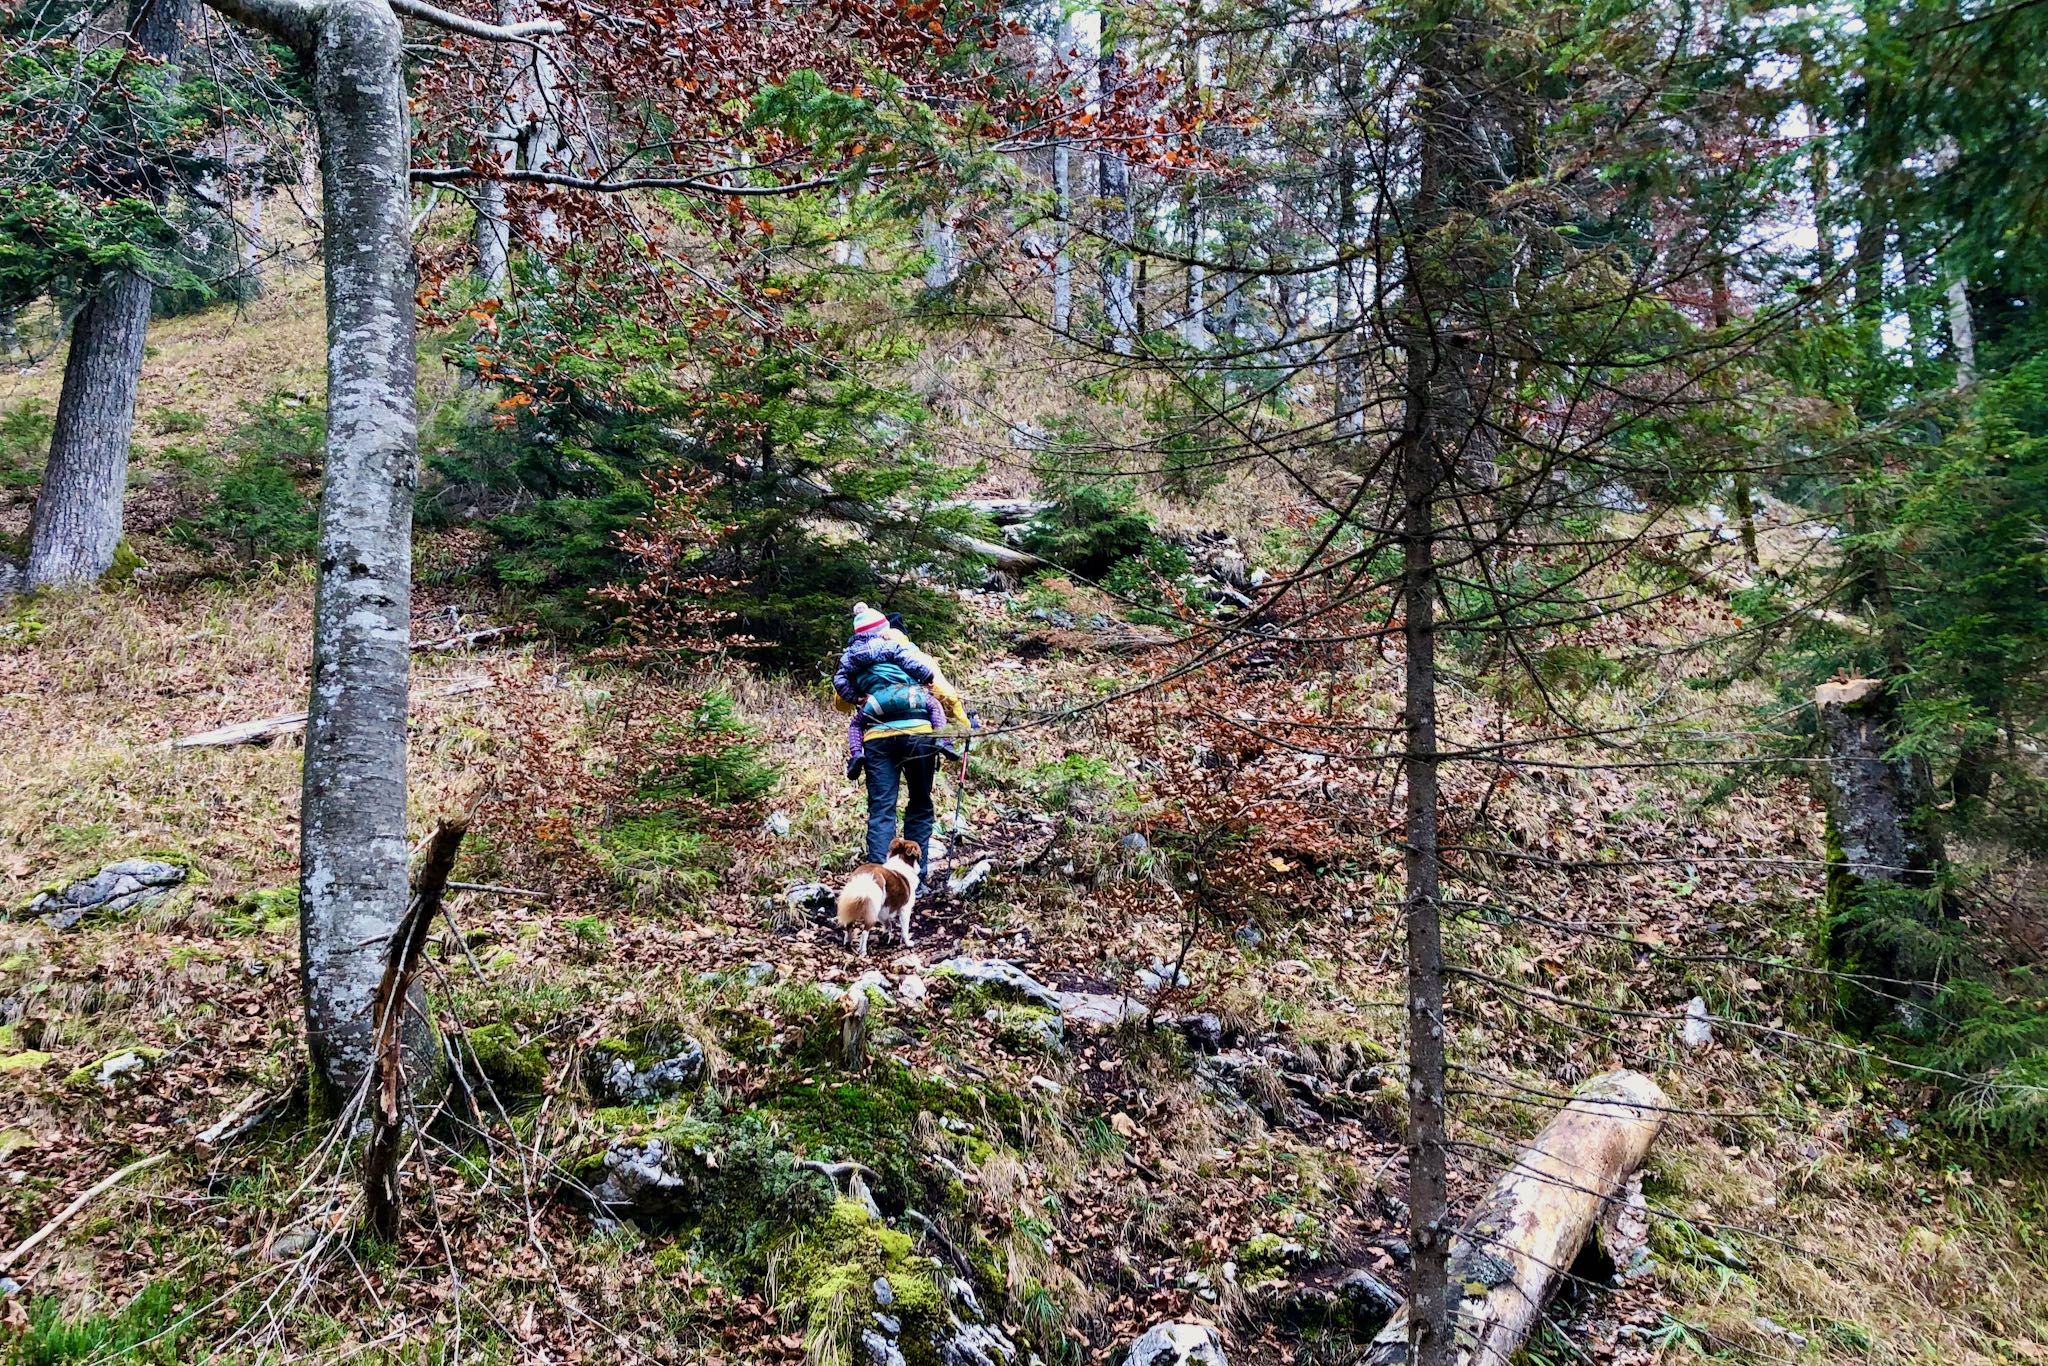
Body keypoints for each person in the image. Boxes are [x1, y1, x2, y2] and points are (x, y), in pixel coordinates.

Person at [832, 603, 967, 871]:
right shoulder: (909, 651)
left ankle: (880, 878)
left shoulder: (855, 659)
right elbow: (944, 694)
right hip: (918, 735)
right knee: (920, 803)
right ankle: (914, 877)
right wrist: (962, 725)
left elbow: (840, 702)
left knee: (881, 809)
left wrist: (861, 697)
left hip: (877, 738)